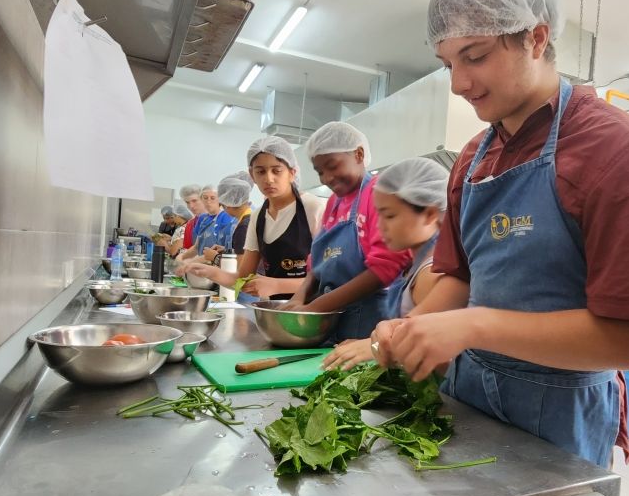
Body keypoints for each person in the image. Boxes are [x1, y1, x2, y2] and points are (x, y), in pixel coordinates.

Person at [372, 0, 629, 468]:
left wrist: (472, 328)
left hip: (560, 412)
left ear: (536, 38)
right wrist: (413, 329)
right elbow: (459, 277)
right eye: (449, 64)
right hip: (468, 397)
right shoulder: (472, 158)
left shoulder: (618, 151)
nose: (458, 83)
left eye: (475, 56)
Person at [287, 122, 412, 342]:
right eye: (320, 172)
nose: (326, 178)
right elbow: (317, 264)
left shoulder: (379, 194)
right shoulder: (334, 202)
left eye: (332, 166)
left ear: (359, 154)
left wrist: (317, 307)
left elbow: (385, 269)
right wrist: (299, 298)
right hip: (334, 318)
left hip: (371, 322)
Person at [323, 158, 450, 371]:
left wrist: (374, 349)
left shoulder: (431, 273)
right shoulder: (416, 264)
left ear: (429, 214)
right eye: (378, 214)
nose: (380, 226)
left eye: (389, 215)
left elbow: (441, 359)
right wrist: (369, 343)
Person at [181, 136, 325, 300]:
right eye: (260, 171)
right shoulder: (258, 218)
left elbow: (328, 278)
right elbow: (242, 279)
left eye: (277, 170)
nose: (268, 179)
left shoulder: (313, 209)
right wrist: (209, 272)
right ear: (252, 174)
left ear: (292, 172)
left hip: (312, 313)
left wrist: (277, 285)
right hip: (274, 311)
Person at [176, 185, 233, 263]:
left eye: (212, 198)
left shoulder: (226, 218)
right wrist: (181, 257)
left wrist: (191, 262)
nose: (208, 201)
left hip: (216, 266)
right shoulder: (203, 218)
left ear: (219, 200)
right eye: (205, 198)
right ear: (202, 199)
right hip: (200, 266)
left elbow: (223, 251)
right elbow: (196, 247)